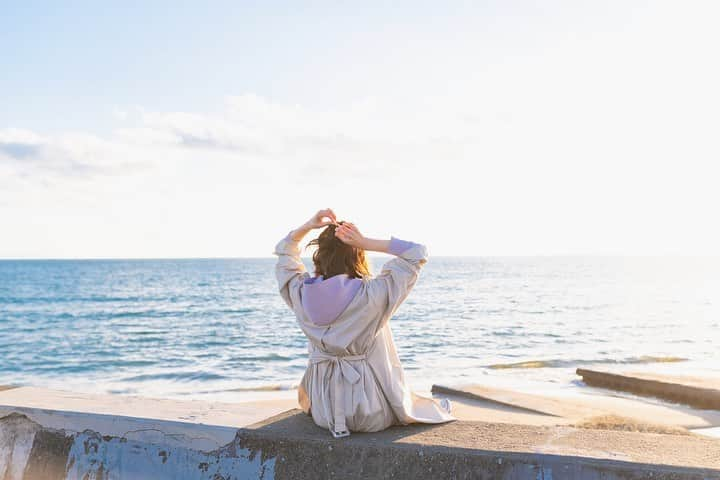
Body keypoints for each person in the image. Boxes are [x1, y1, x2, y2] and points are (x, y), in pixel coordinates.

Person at [273, 208, 455, 438]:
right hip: (371, 411)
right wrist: (364, 241)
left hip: (324, 412)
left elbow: (285, 253)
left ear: (320, 255)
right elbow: (417, 252)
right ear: (356, 255)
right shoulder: (372, 294)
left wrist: (308, 226)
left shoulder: (300, 292)